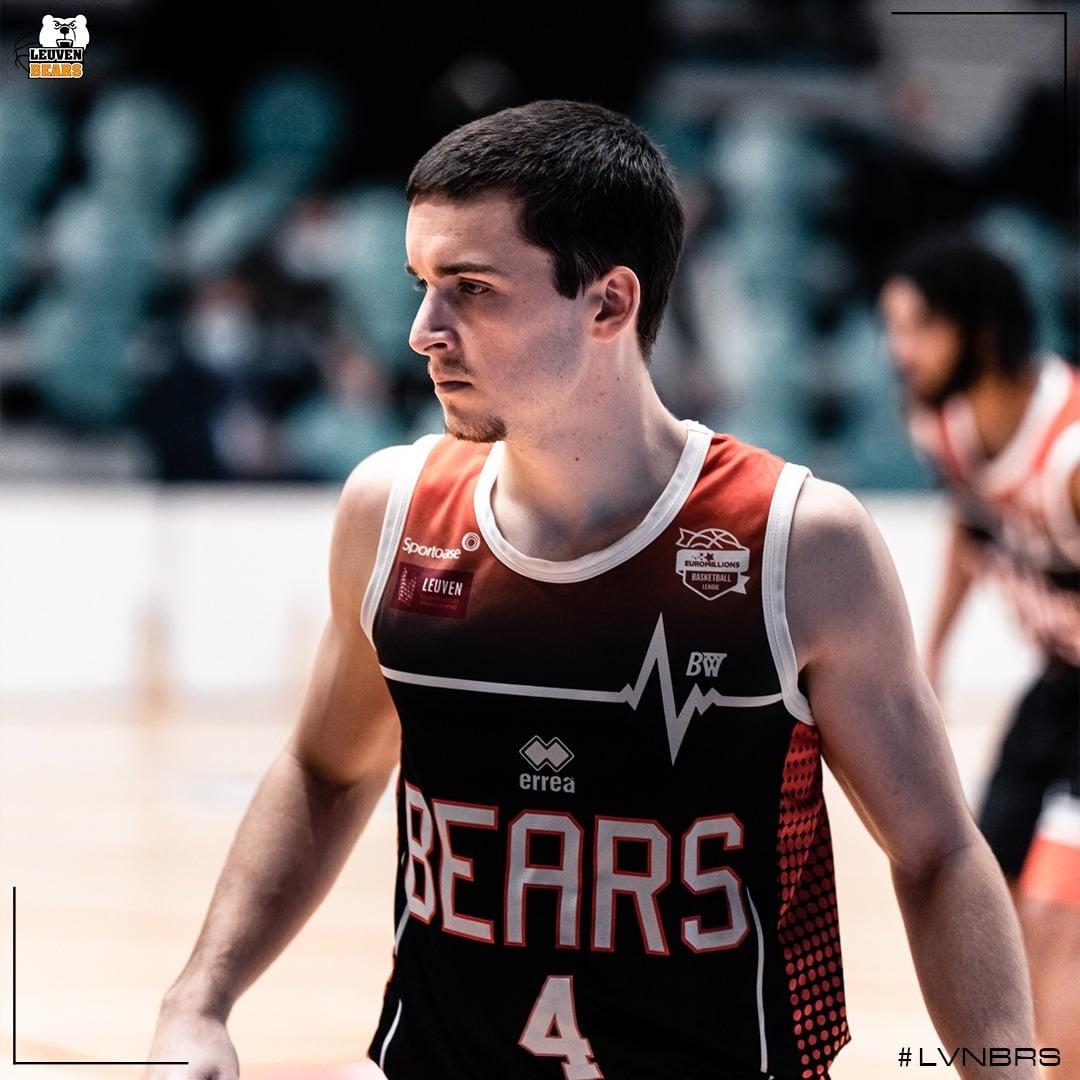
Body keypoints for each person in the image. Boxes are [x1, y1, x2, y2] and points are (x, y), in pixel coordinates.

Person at [148, 101, 1035, 1080]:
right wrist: (199, 1002)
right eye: (421, 285)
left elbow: (940, 855)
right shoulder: (390, 512)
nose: (422, 331)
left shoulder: (796, 543)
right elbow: (326, 771)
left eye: (471, 289)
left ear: (609, 303)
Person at [878, 234, 1079, 1076]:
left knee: (1056, 915)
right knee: (985, 895)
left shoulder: (1070, 455)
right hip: (1060, 689)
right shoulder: (945, 425)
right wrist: (932, 654)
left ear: (984, 331)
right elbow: (970, 528)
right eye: (892, 327)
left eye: (918, 327)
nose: (898, 351)